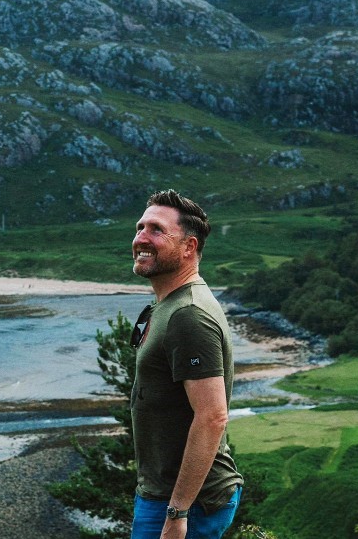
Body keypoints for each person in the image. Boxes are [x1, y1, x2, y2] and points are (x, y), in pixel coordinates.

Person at [127, 190, 244, 539]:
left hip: (188, 502)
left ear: (189, 247)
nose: (141, 238)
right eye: (140, 227)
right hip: (167, 493)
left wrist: (177, 512)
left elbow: (212, 417)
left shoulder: (188, 315)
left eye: (157, 230)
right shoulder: (170, 305)